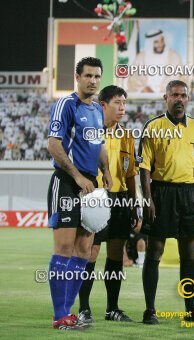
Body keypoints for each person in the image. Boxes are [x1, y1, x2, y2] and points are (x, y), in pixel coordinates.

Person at [138, 80, 194, 324]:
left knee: (188, 254)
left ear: (188, 99)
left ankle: (190, 310)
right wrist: (148, 199)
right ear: (165, 98)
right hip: (162, 193)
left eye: (183, 95)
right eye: (174, 94)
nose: (179, 99)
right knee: (155, 251)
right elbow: (144, 167)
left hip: (190, 194)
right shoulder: (153, 126)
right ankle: (150, 310)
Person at [46, 57, 113, 330]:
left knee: (84, 252)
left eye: (97, 76)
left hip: (91, 186)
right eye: (88, 76)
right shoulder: (66, 104)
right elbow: (53, 144)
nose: (93, 81)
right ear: (77, 77)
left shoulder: (97, 110)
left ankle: (69, 313)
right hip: (66, 182)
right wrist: (76, 176)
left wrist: (106, 170)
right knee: (64, 248)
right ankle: (59, 315)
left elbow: (100, 145)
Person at [77, 85, 140, 324]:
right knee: (90, 252)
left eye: (124, 102)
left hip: (121, 198)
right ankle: (84, 308)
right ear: (102, 104)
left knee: (116, 253)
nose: (122, 107)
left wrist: (135, 204)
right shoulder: (90, 131)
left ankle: (112, 308)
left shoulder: (126, 135)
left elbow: (131, 173)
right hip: (95, 198)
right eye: (117, 102)